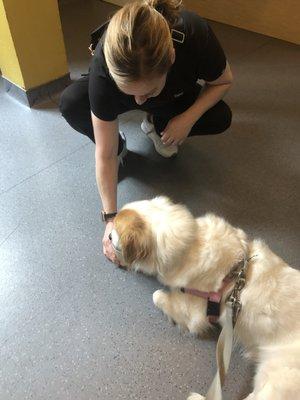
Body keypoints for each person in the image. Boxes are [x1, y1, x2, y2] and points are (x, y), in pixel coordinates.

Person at [59, 0, 233, 264]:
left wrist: (187, 118)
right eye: (132, 93)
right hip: (133, 89)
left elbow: (223, 81)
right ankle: (124, 142)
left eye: (147, 92)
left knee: (220, 116)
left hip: (174, 94)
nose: (139, 102)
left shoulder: (195, 35)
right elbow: (103, 155)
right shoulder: (104, 68)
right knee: (71, 102)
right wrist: (110, 219)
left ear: (171, 59)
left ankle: (157, 124)